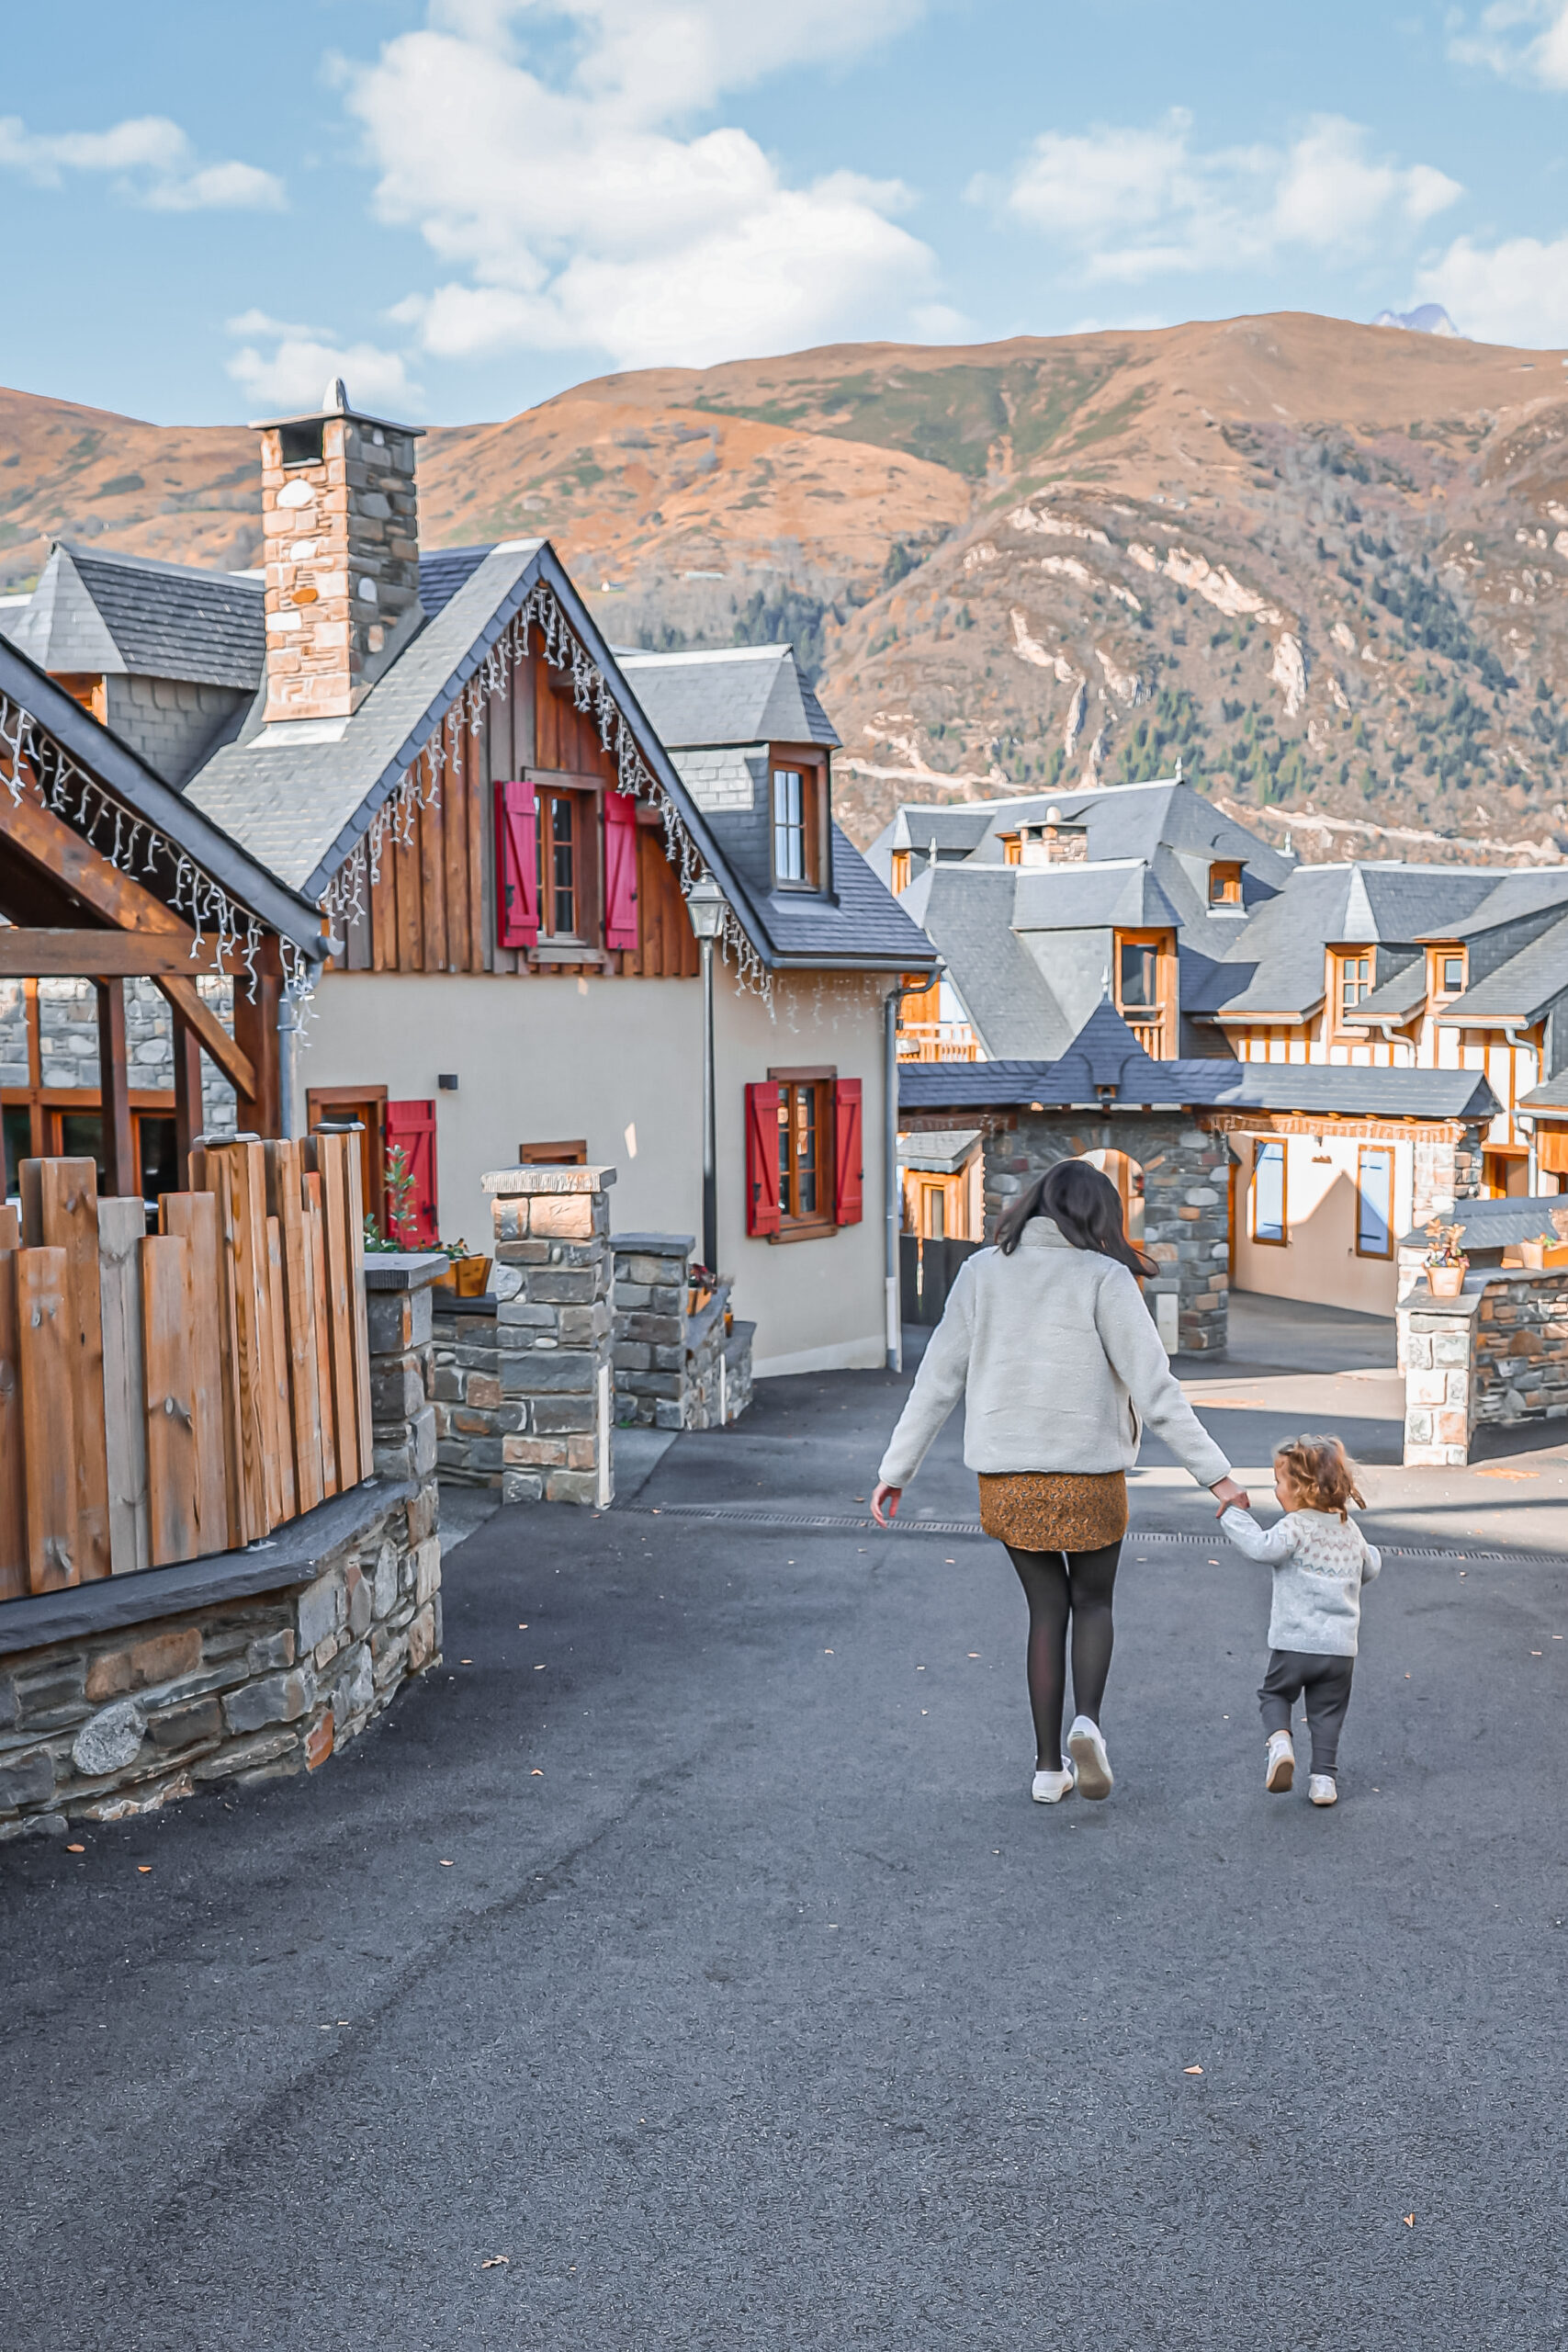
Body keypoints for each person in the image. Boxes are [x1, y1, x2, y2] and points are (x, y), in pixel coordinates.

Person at [872, 1159, 1247, 1804]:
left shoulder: (979, 1273)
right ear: (1100, 1216)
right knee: (1093, 1604)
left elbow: (937, 1380)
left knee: (1045, 1612)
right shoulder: (1106, 1278)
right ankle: (1087, 1724)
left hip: (1008, 1478)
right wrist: (1218, 1479)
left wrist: (893, 1471)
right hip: (1090, 1475)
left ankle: (1048, 1769)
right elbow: (1156, 1393)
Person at [1217, 1434, 1381, 1808]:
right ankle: (1324, 1781)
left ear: (1301, 1489)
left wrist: (1232, 1514)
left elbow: (1262, 1548)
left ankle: (1280, 1745)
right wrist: (1367, 1553)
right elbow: (1369, 1568)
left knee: (1274, 1694)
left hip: (1295, 1644)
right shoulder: (1348, 1529)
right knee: (1327, 1712)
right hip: (1340, 1651)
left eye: (1279, 1483)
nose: (1276, 1490)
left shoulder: (1294, 1527)